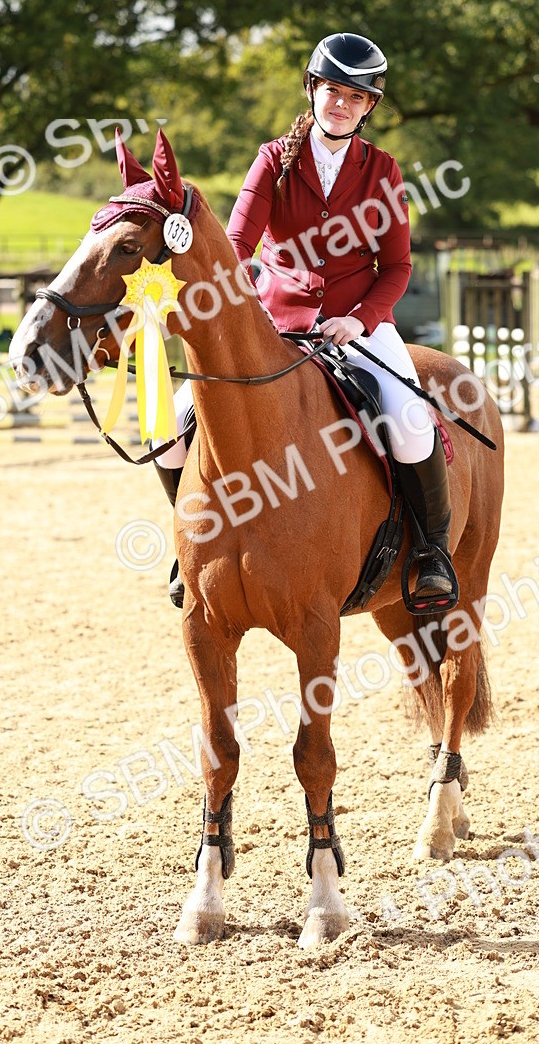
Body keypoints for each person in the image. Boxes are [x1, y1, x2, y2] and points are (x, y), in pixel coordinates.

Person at [155, 32, 456, 610]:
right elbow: (238, 241)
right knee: (169, 430)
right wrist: (222, 301)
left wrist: (359, 321)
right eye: (332, 90)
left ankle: (431, 552)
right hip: (274, 321)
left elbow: (396, 266)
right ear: (312, 90)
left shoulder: (384, 172)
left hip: (358, 322)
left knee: (411, 419)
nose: (340, 103)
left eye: (355, 96)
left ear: (368, 107)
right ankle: (190, 541)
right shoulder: (273, 159)